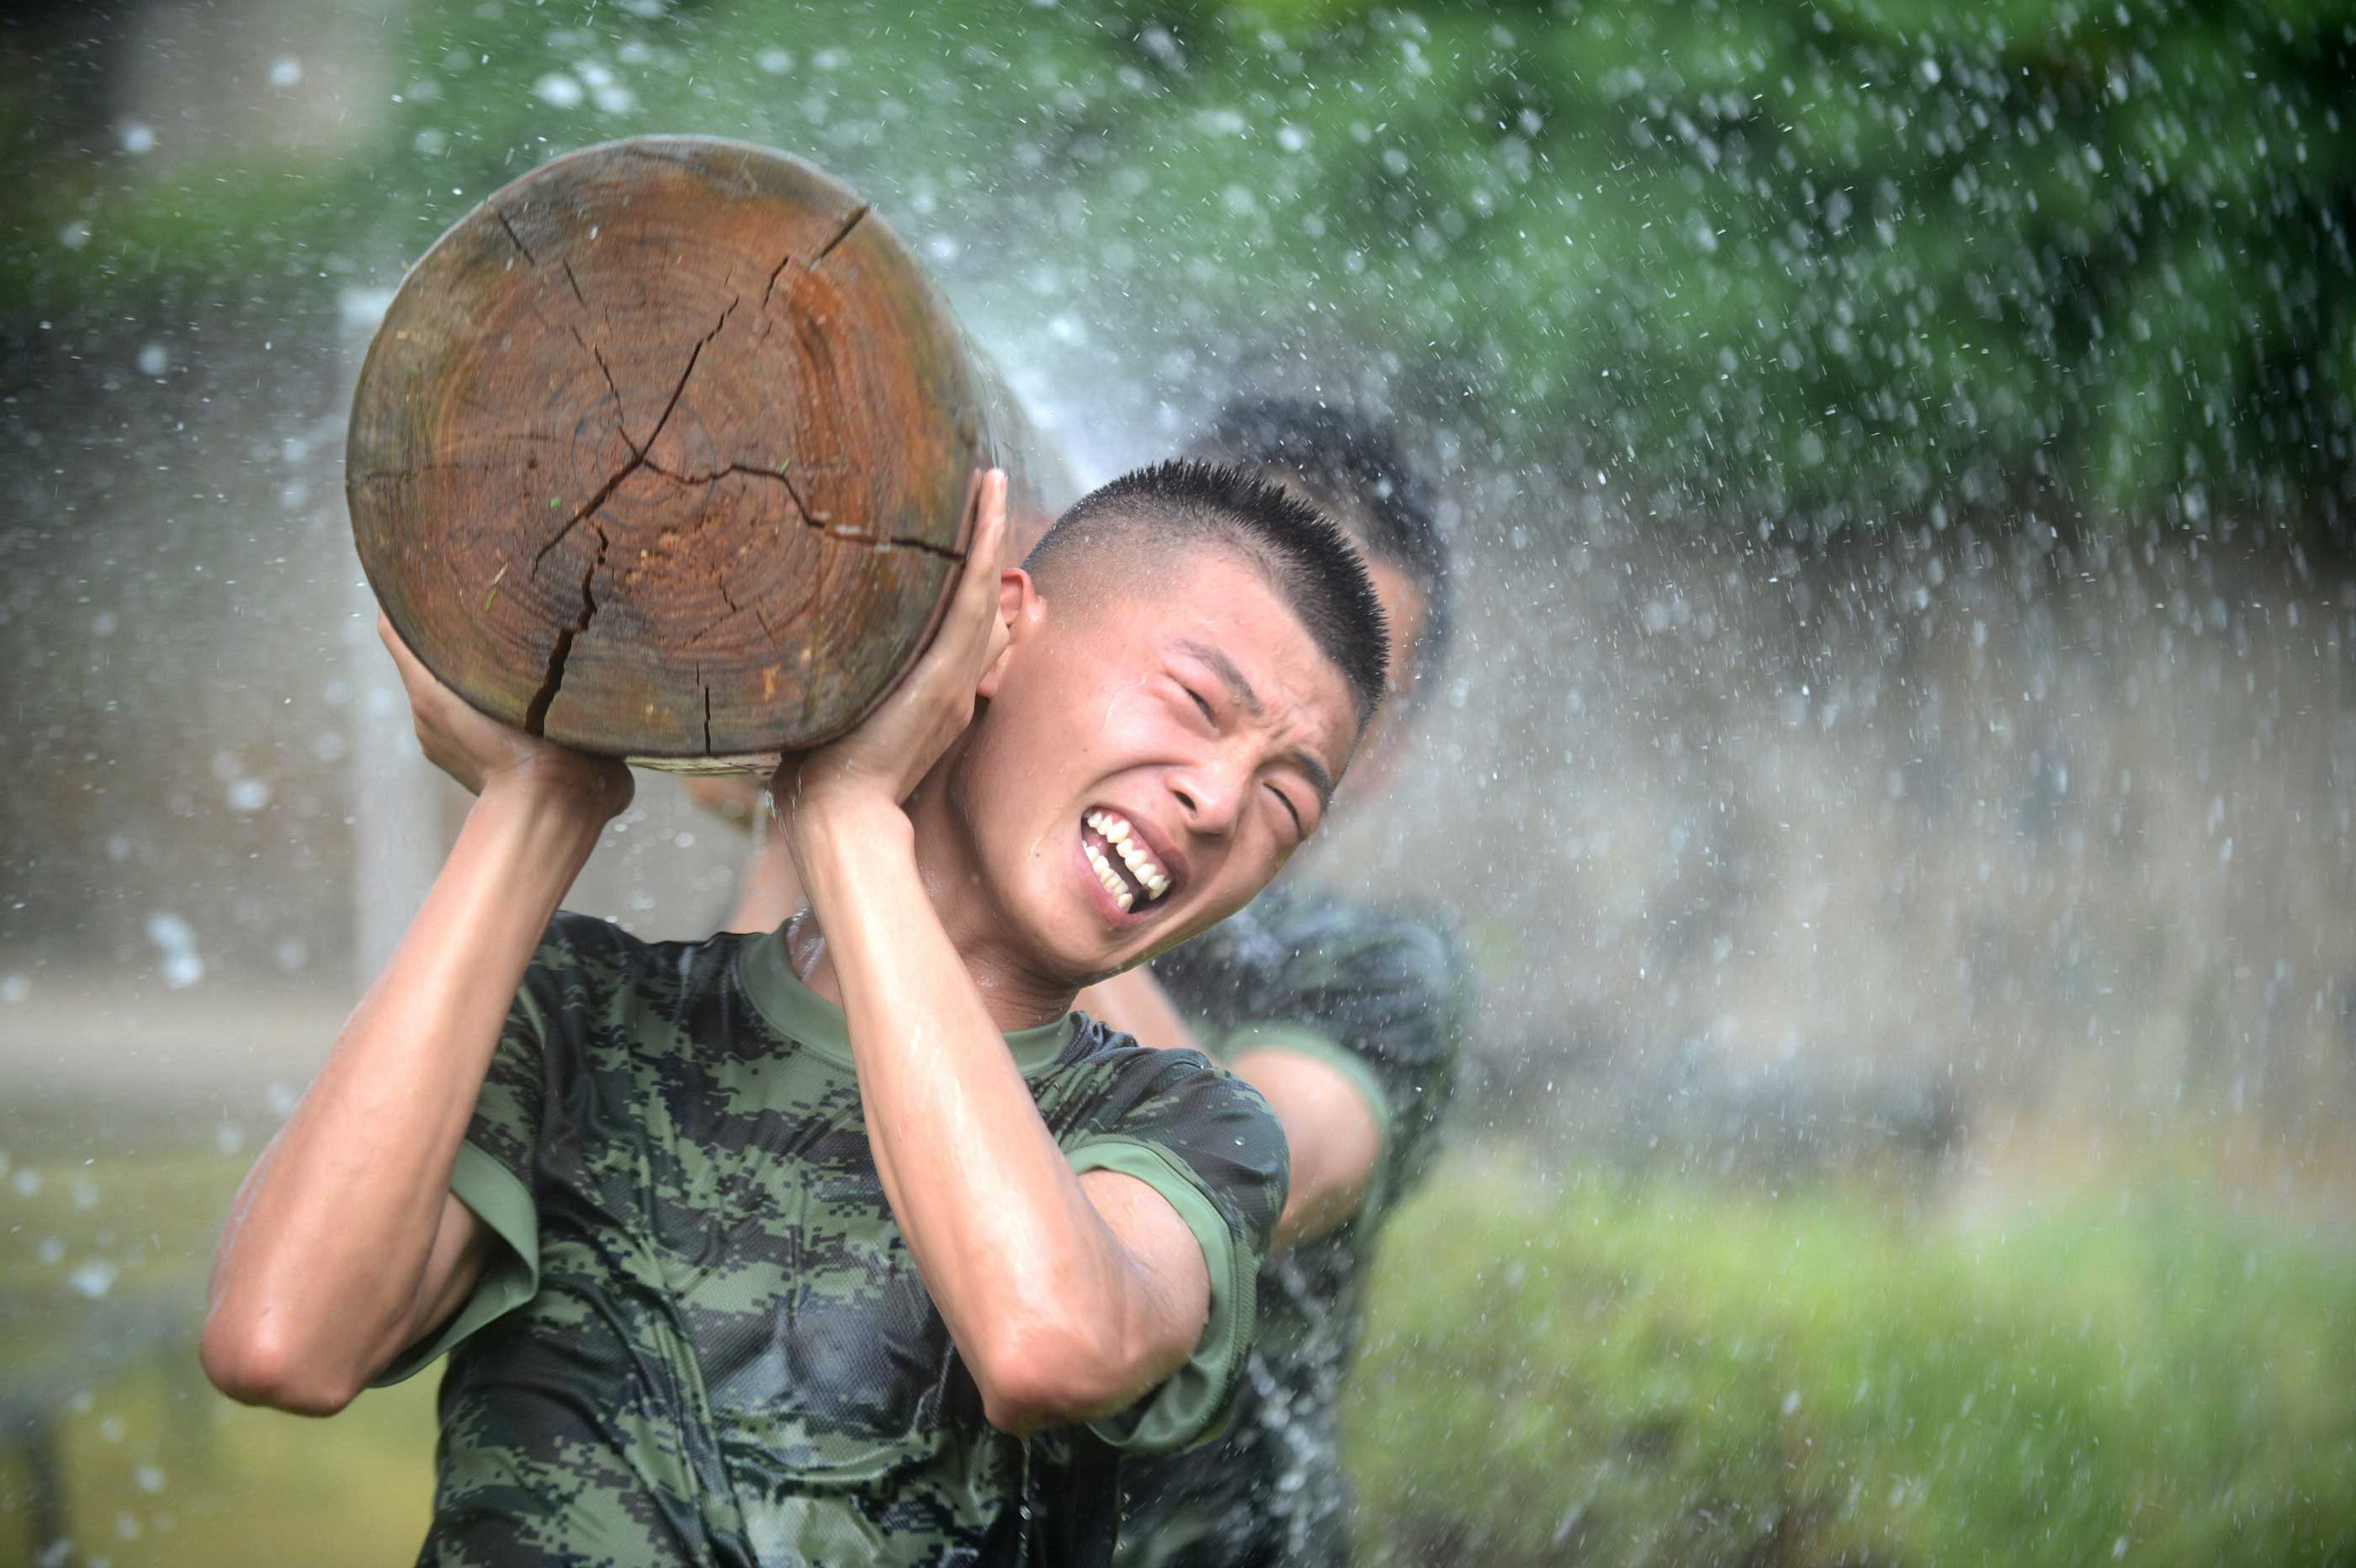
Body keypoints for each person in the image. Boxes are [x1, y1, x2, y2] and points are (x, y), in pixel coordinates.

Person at [199, 460, 1392, 1567]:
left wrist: (846, 816)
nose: (1219, 800)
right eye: (1193, 702)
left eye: (1285, 805)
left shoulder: (1187, 1129)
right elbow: (280, 1338)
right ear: (1000, 630)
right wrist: (537, 801)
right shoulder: (590, 1019)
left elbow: (1047, 1339)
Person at [692, 398, 1467, 1567]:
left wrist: (944, 816)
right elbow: (707, 1174)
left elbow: (1257, 1163)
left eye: (1341, 677)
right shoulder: (906, 869)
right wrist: (805, 808)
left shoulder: (1378, 974)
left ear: (1381, 754)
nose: (1219, 769)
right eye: (1212, 672)